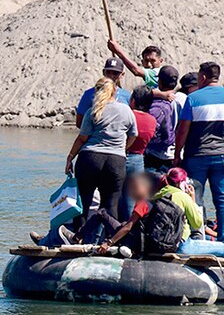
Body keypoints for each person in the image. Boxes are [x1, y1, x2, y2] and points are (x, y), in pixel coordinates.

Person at [174, 61, 224, 242]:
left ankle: (197, 236)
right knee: (223, 198)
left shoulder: (193, 99)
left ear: (204, 77)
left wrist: (177, 153)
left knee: (195, 198)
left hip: (197, 156)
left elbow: (183, 129)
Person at [65, 77, 136, 233]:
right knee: (111, 204)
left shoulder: (93, 111)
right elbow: (133, 135)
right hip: (116, 161)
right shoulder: (126, 110)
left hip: (90, 158)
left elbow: (82, 138)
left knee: (83, 201)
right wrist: (122, 149)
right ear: (115, 91)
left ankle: (79, 238)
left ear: (96, 92)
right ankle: (111, 240)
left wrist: (70, 157)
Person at [121, 86, 157, 218]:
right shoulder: (152, 120)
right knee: (132, 198)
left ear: (133, 101)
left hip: (121, 156)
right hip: (138, 159)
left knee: (112, 196)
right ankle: (130, 230)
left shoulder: (128, 115)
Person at [74, 58, 131, 130]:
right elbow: (79, 122)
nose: (111, 76)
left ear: (122, 75)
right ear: (104, 72)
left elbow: (131, 123)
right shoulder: (89, 94)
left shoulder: (127, 96)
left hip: (118, 140)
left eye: (115, 73)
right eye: (108, 72)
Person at [145, 66, 180, 173]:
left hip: (153, 152)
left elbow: (137, 93)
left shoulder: (152, 99)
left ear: (159, 81)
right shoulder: (182, 99)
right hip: (174, 153)